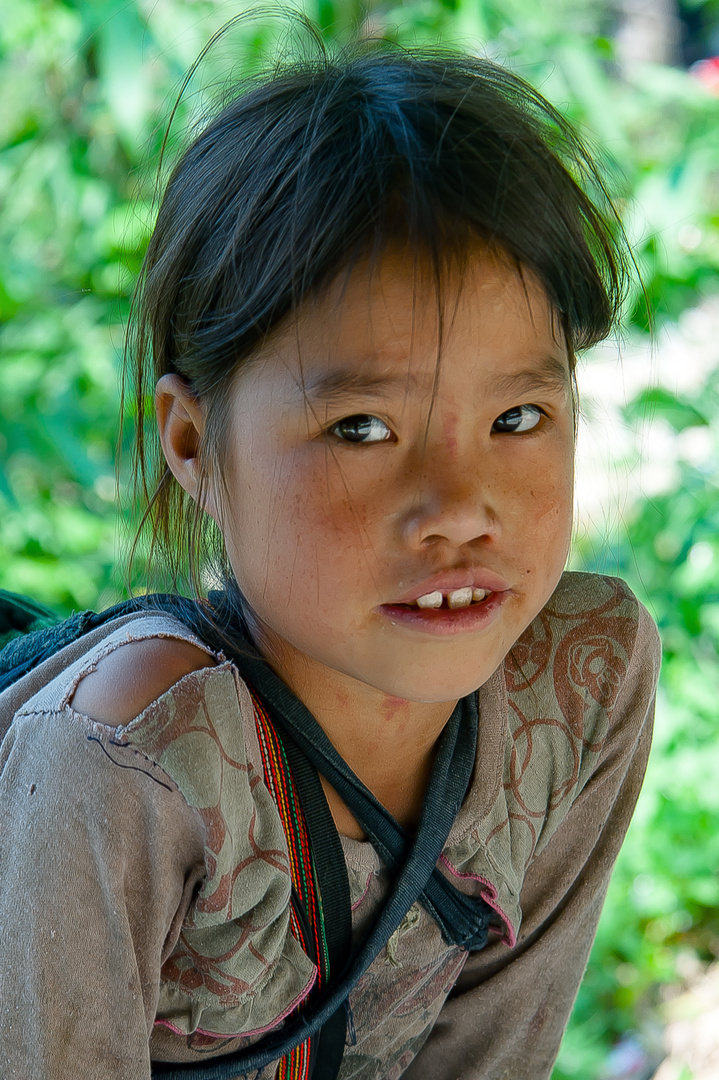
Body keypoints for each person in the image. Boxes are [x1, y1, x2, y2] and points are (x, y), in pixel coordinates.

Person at [0, 45, 661, 1080]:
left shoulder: (575, 683)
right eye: (360, 428)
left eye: (517, 416)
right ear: (189, 444)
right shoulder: (125, 760)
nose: (457, 507)